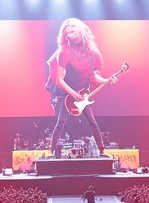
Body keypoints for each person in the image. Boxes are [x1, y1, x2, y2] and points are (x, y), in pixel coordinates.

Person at [46, 18, 118, 158]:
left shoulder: (93, 52)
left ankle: (102, 151)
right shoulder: (64, 52)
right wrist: (74, 95)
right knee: (60, 123)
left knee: (92, 122)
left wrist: (106, 80)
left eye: (72, 28)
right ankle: (51, 151)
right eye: (67, 31)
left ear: (81, 30)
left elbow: (94, 75)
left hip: (83, 95)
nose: (69, 32)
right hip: (68, 95)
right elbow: (59, 79)